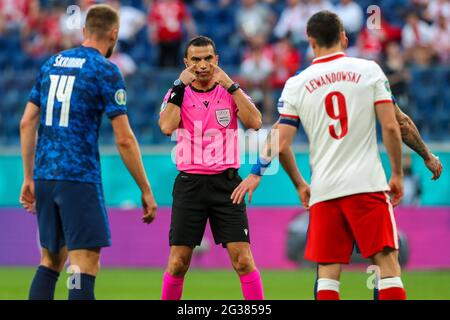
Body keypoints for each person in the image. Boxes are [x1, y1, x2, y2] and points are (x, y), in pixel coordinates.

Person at [233, 10, 407, 300]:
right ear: (343, 37)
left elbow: (282, 139)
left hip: (325, 191)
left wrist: (262, 173)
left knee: (327, 272)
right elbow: (390, 125)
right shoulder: (369, 70)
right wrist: (398, 174)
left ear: (310, 41)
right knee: (386, 264)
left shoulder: (297, 83)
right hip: (367, 184)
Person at [19, 4, 157, 300]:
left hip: (44, 176)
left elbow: (26, 121)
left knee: (50, 261)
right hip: (78, 177)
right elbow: (124, 139)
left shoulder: (51, 63)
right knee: (83, 265)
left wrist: (28, 177)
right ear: (114, 34)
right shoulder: (105, 70)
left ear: (84, 31)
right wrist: (145, 189)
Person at [158, 36, 263, 300]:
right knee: (178, 262)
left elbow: (256, 122)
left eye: (208, 58)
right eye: (196, 60)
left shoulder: (230, 91)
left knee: (243, 260)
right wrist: (178, 85)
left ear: (216, 60)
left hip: (227, 185)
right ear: (186, 63)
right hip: (190, 184)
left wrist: (232, 85)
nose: (202, 65)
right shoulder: (177, 92)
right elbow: (166, 127)